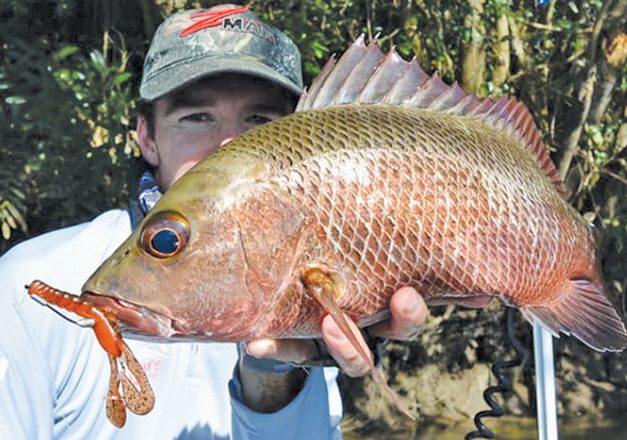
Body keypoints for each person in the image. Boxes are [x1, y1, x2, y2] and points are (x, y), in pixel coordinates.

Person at [0, 5, 428, 439]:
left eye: (259, 121)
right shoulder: (31, 283)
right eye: (197, 117)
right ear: (146, 137)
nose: (228, 143)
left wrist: (275, 375)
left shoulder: (306, 271)